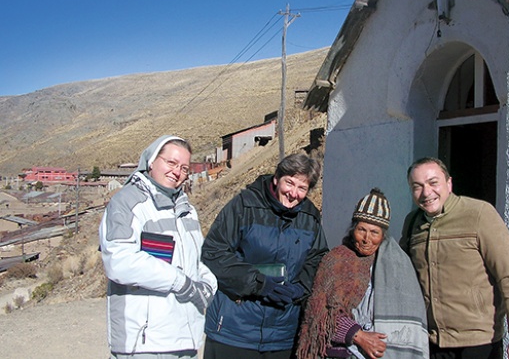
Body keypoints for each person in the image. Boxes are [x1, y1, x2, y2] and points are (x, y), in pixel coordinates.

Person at [400, 157, 509, 359]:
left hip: (478, 341)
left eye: (433, 183)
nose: (426, 193)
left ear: (449, 183)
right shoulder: (412, 223)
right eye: (417, 187)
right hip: (432, 341)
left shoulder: (479, 214)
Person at [99, 135, 218, 358]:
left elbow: (198, 260)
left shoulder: (187, 210)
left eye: (184, 168)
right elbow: (119, 261)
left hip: (186, 339)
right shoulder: (127, 203)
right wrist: (181, 282)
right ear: (152, 161)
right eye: (171, 163)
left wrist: (209, 285)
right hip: (144, 344)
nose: (177, 172)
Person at [201, 153, 329, 359]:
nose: (293, 193)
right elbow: (213, 253)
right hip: (235, 330)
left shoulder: (309, 216)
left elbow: (318, 258)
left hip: (283, 334)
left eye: (302, 188)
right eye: (290, 183)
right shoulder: (244, 206)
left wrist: (301, 288)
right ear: (277, 178)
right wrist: (259, 283)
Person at [297, 188, 429, 359]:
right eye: (362, 230)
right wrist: (358, 336)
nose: (367, 238)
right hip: (342, 353)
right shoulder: (336, 260)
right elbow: (321, 315)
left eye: (374, 232)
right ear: (353, 230)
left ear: (383, 236)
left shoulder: (397, 268)